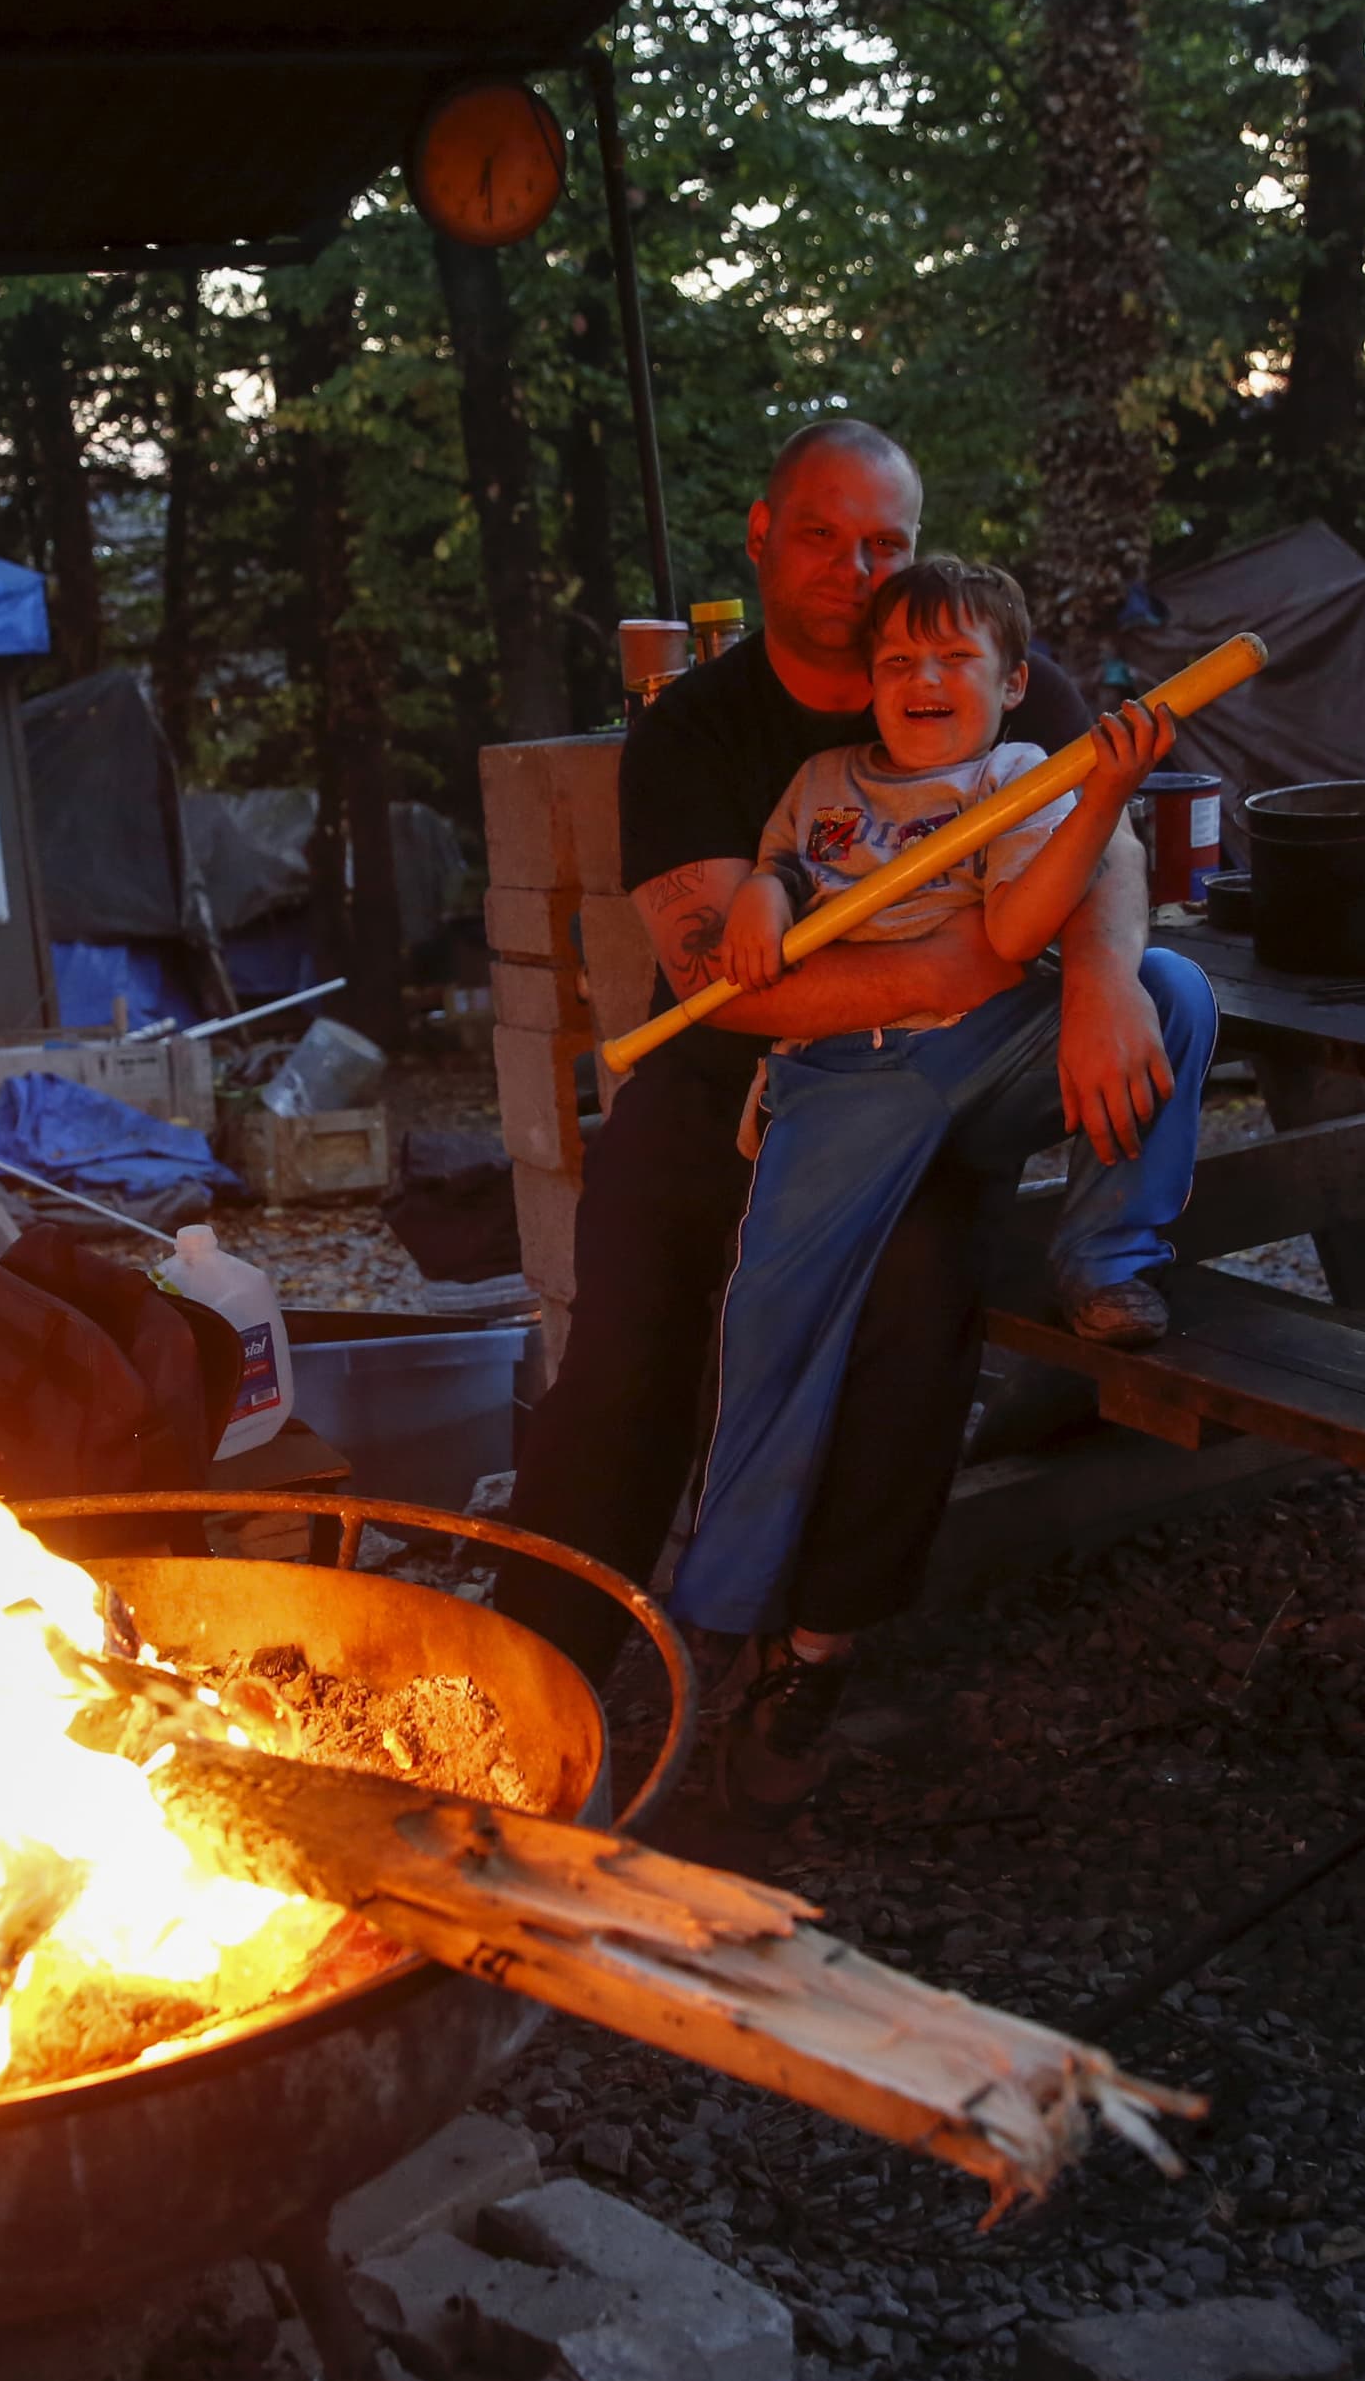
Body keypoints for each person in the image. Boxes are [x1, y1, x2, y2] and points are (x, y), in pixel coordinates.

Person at [501, 418, 1190, 1780]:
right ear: (762, 536)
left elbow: (1096, 836)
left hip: (915, 1086)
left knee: (917, 1298)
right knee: (629, 1352)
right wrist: (986, 954)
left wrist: (1106, 967)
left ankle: (807, 1656)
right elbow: (731, 987)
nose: (856, 568)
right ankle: (532, 1679)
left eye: (886, 542)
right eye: (822, 534)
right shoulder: (705, 727)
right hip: (714, 1086)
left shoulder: (988, 676)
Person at [673, 558, 1215, 1810]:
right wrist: (762, 892)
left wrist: (1104, 794)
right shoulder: (820, 786)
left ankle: (1110, 1251)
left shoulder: (1021, 779)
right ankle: (737, 1615)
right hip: (846, 1080)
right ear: (868, 686)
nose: (923, 681)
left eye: (954, 660)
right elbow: (791, 875)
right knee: (771, 1328)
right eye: (899, 662)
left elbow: (1022, 931)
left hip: (987, 1050)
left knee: (1173, 994)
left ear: (1012, 684)